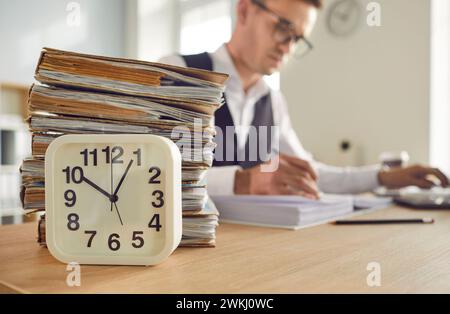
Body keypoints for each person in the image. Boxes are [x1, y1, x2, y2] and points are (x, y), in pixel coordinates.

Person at [160, 0, 449, 198]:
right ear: (245, 10)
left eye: (298, 38)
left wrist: (383, 177)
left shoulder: (272, 102)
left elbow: (309, 173)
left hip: (251, 249)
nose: (287, 46)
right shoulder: (180, 72)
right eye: (283, 27)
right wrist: (243, 180)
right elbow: (149, 171)